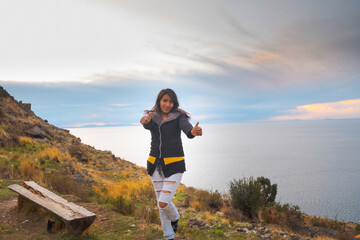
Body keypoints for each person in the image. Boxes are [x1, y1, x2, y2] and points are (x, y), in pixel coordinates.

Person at [140, 88, 202, 240]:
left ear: (174, 103)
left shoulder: (178, 117)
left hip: (175, 165)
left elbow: (187, 128)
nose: (167, 104)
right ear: (159, 101)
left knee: (163, 203)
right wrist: (145, 123)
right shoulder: (152, 116)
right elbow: (148, 124)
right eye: (164, 100)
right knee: (160, 205)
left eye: (170, 101)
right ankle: (169, 236)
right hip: (154, 164)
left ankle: (175, 217)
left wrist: (192, 132)